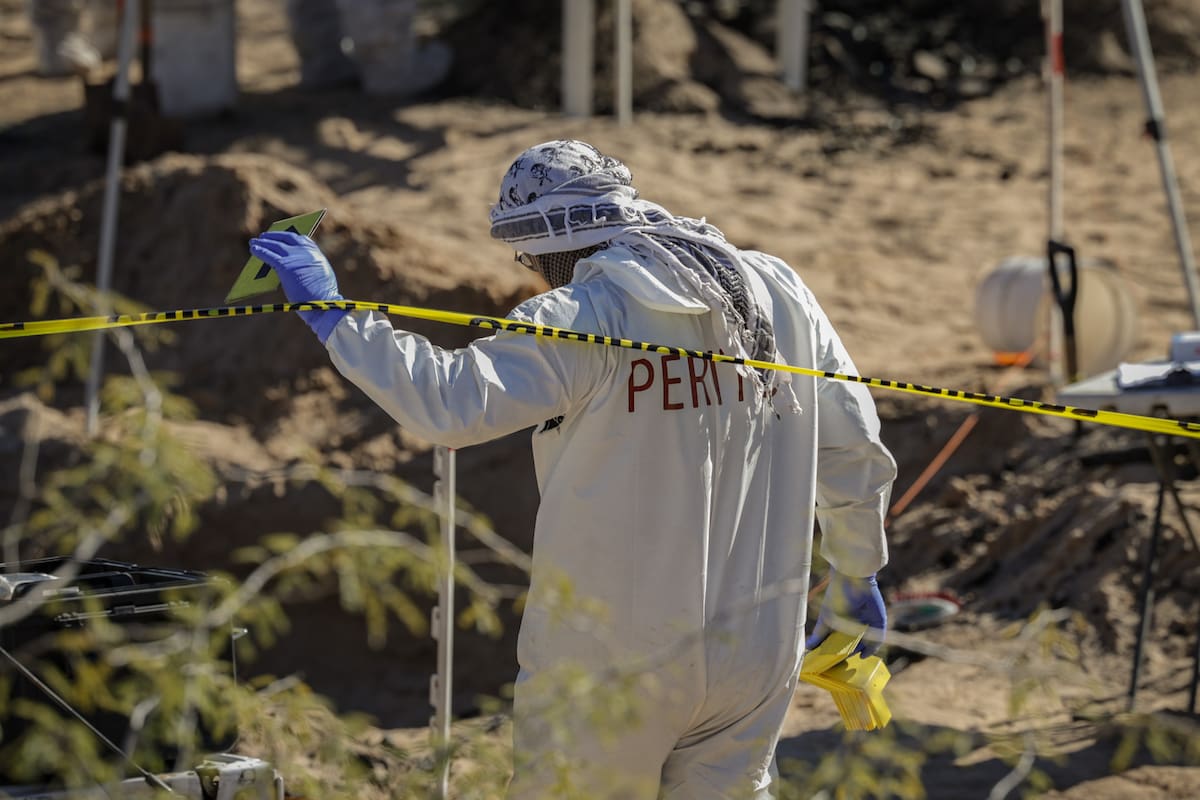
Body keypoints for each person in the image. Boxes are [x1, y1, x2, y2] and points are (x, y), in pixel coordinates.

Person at [249, 139, 896, 799]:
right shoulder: (778, 292)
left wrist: (334, 315)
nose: (534, 272)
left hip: (612, 658)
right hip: (758, 645)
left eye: (530, 258)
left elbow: (450, 405)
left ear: (550, 244)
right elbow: (854, 446)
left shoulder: (584, 314)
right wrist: (857, 571)